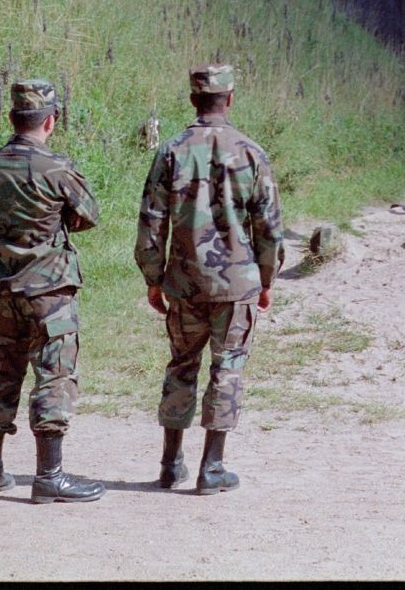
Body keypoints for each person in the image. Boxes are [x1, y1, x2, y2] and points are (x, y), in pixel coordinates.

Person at [135, 63, 285, 495]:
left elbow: (151, 222)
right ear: (230, 99)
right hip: (236, 284)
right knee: (227, 368)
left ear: (192, 100)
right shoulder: (252, 153)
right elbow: (269, 227)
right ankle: (212, 467)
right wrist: (267, 277)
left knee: (181, 365)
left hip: (184, 283)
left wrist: (153, 276)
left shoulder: (171, 151)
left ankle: (170, 463)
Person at [0, 79, 105, 504]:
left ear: (14, 118)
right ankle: (49, 475)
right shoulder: (56, 167)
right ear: (50, 120)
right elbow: (88, 215)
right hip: (49, 291)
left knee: (2, 374)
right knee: (54, 377)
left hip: (5, 289)